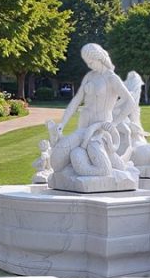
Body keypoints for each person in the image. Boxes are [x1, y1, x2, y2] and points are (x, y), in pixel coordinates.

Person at [49, 44, 137, 178]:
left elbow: (130, 102)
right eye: (87, 63)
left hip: (100, 129)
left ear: (99, 58)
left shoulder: (111, 78)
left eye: (91, 62)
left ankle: (110, 168)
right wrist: (63, 123)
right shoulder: (89, 76)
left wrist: (114, 123)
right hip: (84, 124)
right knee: (64, 156)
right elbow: (76, 100)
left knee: (91, 151)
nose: (89, 66)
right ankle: (79, 167)